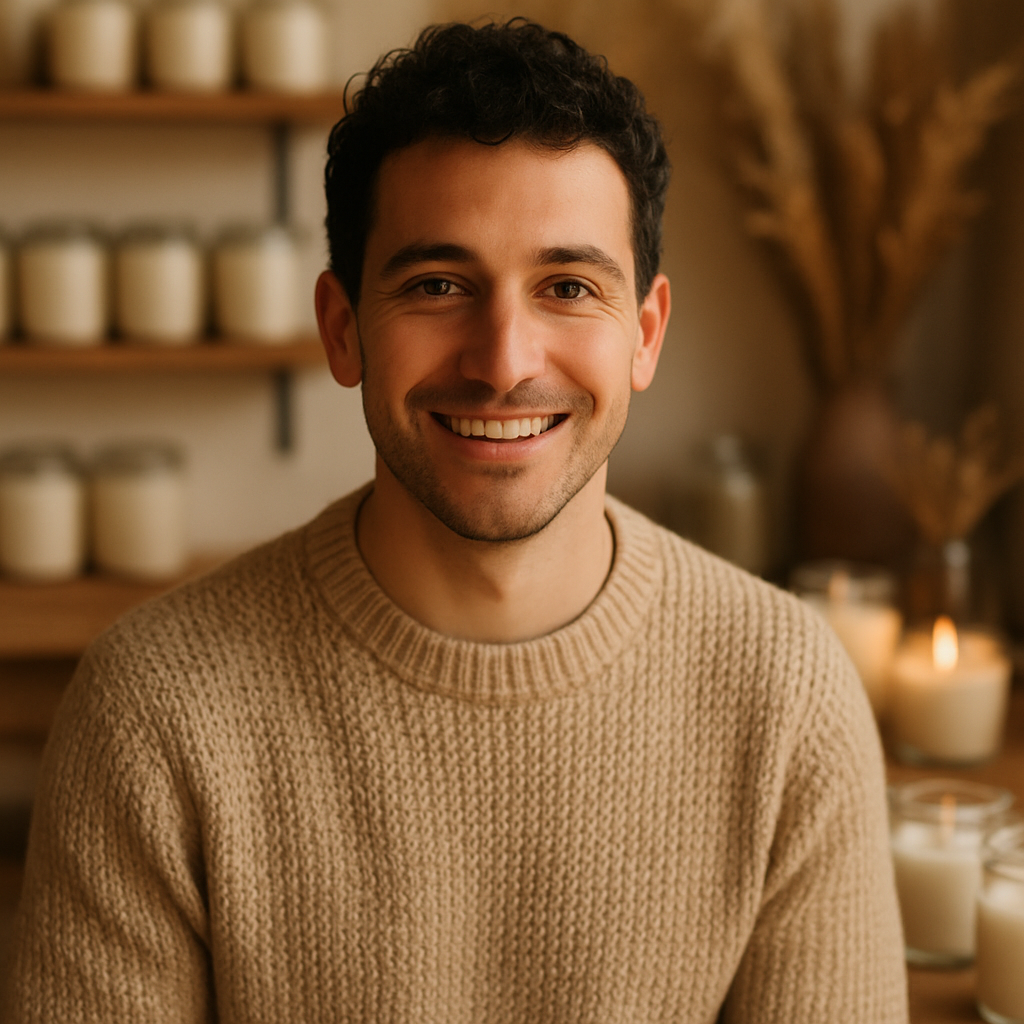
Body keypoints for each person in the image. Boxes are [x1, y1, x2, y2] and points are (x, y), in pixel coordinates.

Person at [3, 19, 907, 1024]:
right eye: (438, 286)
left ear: (643, 334)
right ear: (343, 330)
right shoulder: (151, 715)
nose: (502, 358)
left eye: (567, 287)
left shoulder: (787, 697)